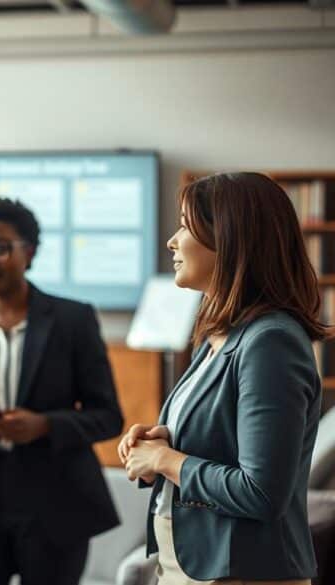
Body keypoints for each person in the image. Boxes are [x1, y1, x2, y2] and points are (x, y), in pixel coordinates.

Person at [118, 172, 324, 585]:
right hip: (193, 564)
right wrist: (163, 443)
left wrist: (166, 460)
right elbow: (222, 445)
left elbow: (262, 492)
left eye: (184, 225)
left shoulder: (271, 342)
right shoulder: (218, 335)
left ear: (229, 238)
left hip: (243, 572)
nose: (172, 241)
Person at [0, 196, 123, 585]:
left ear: (28, 252)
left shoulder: (73, 320)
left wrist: (44, 425)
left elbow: (108, 415)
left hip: (56, 506)